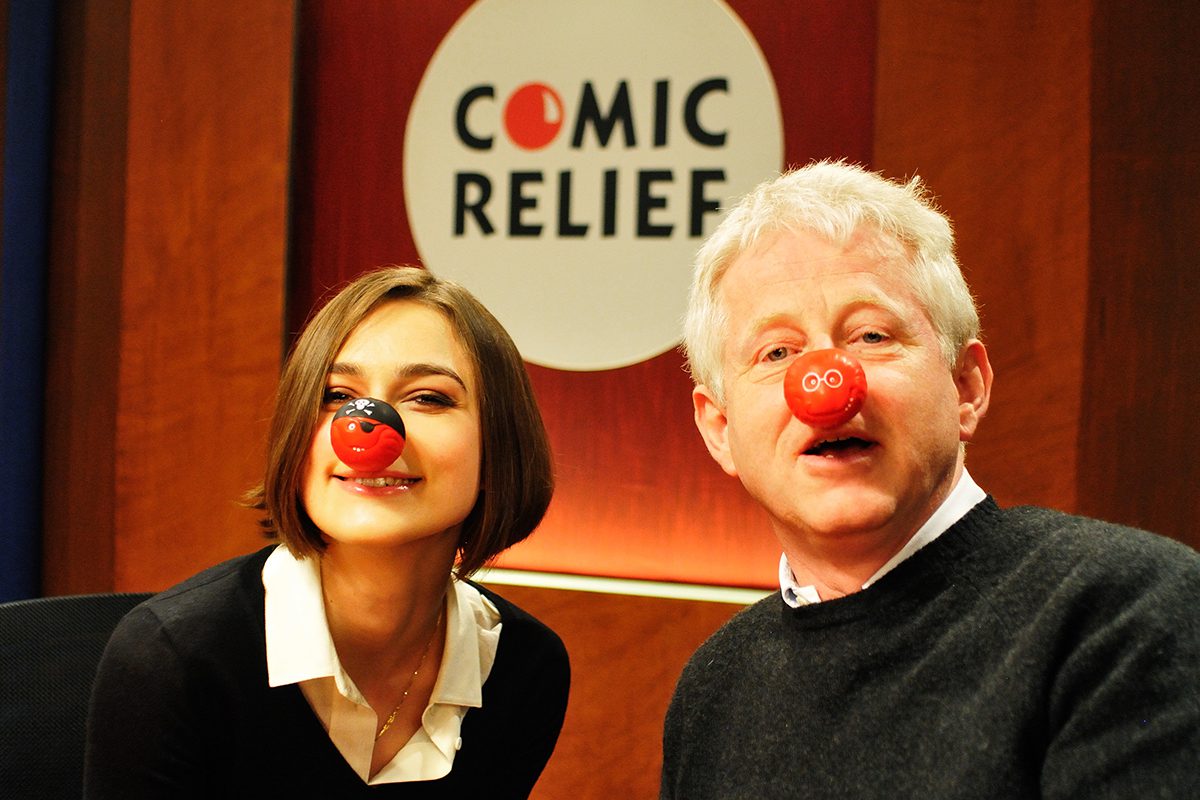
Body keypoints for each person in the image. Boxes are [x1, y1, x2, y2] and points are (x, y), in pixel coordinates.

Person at [661, 161, 1200, 798]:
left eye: (870, 335)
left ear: (966, 386)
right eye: (777, 353)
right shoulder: (715, 686)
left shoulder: (1127, 607)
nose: (826, 385)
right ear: (719, 428)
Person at [85, 266, 569, 798]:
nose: (370, 429)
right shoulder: (174, 659)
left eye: (428, 398)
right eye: (338, 395)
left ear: (499, 445)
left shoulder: (525, 669)